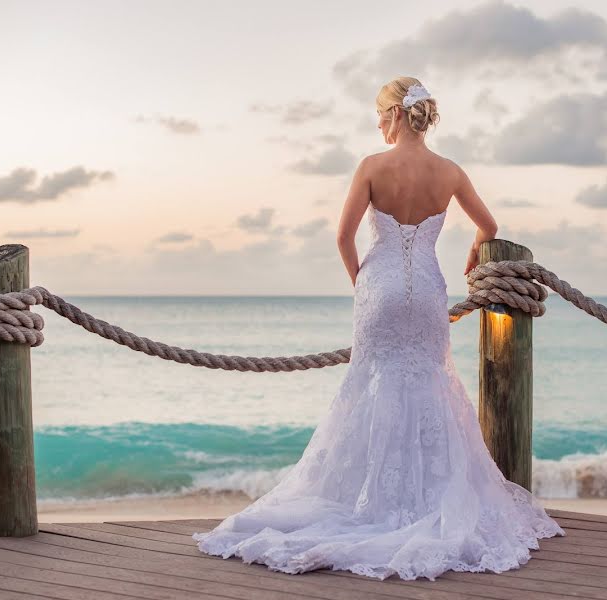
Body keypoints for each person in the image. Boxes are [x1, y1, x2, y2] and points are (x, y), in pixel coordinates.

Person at [192, 76, 566, 581]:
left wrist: (363, 284)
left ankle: (370, 498)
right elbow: (490, 226)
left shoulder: (371, 166)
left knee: (370, 385)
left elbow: (344, 237)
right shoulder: (449, 171)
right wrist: (476, 250)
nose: (377, 124)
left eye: (379, 114)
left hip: (380, 286)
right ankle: (423, 499)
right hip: (430, 290)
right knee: (431, 385)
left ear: (394, 115)